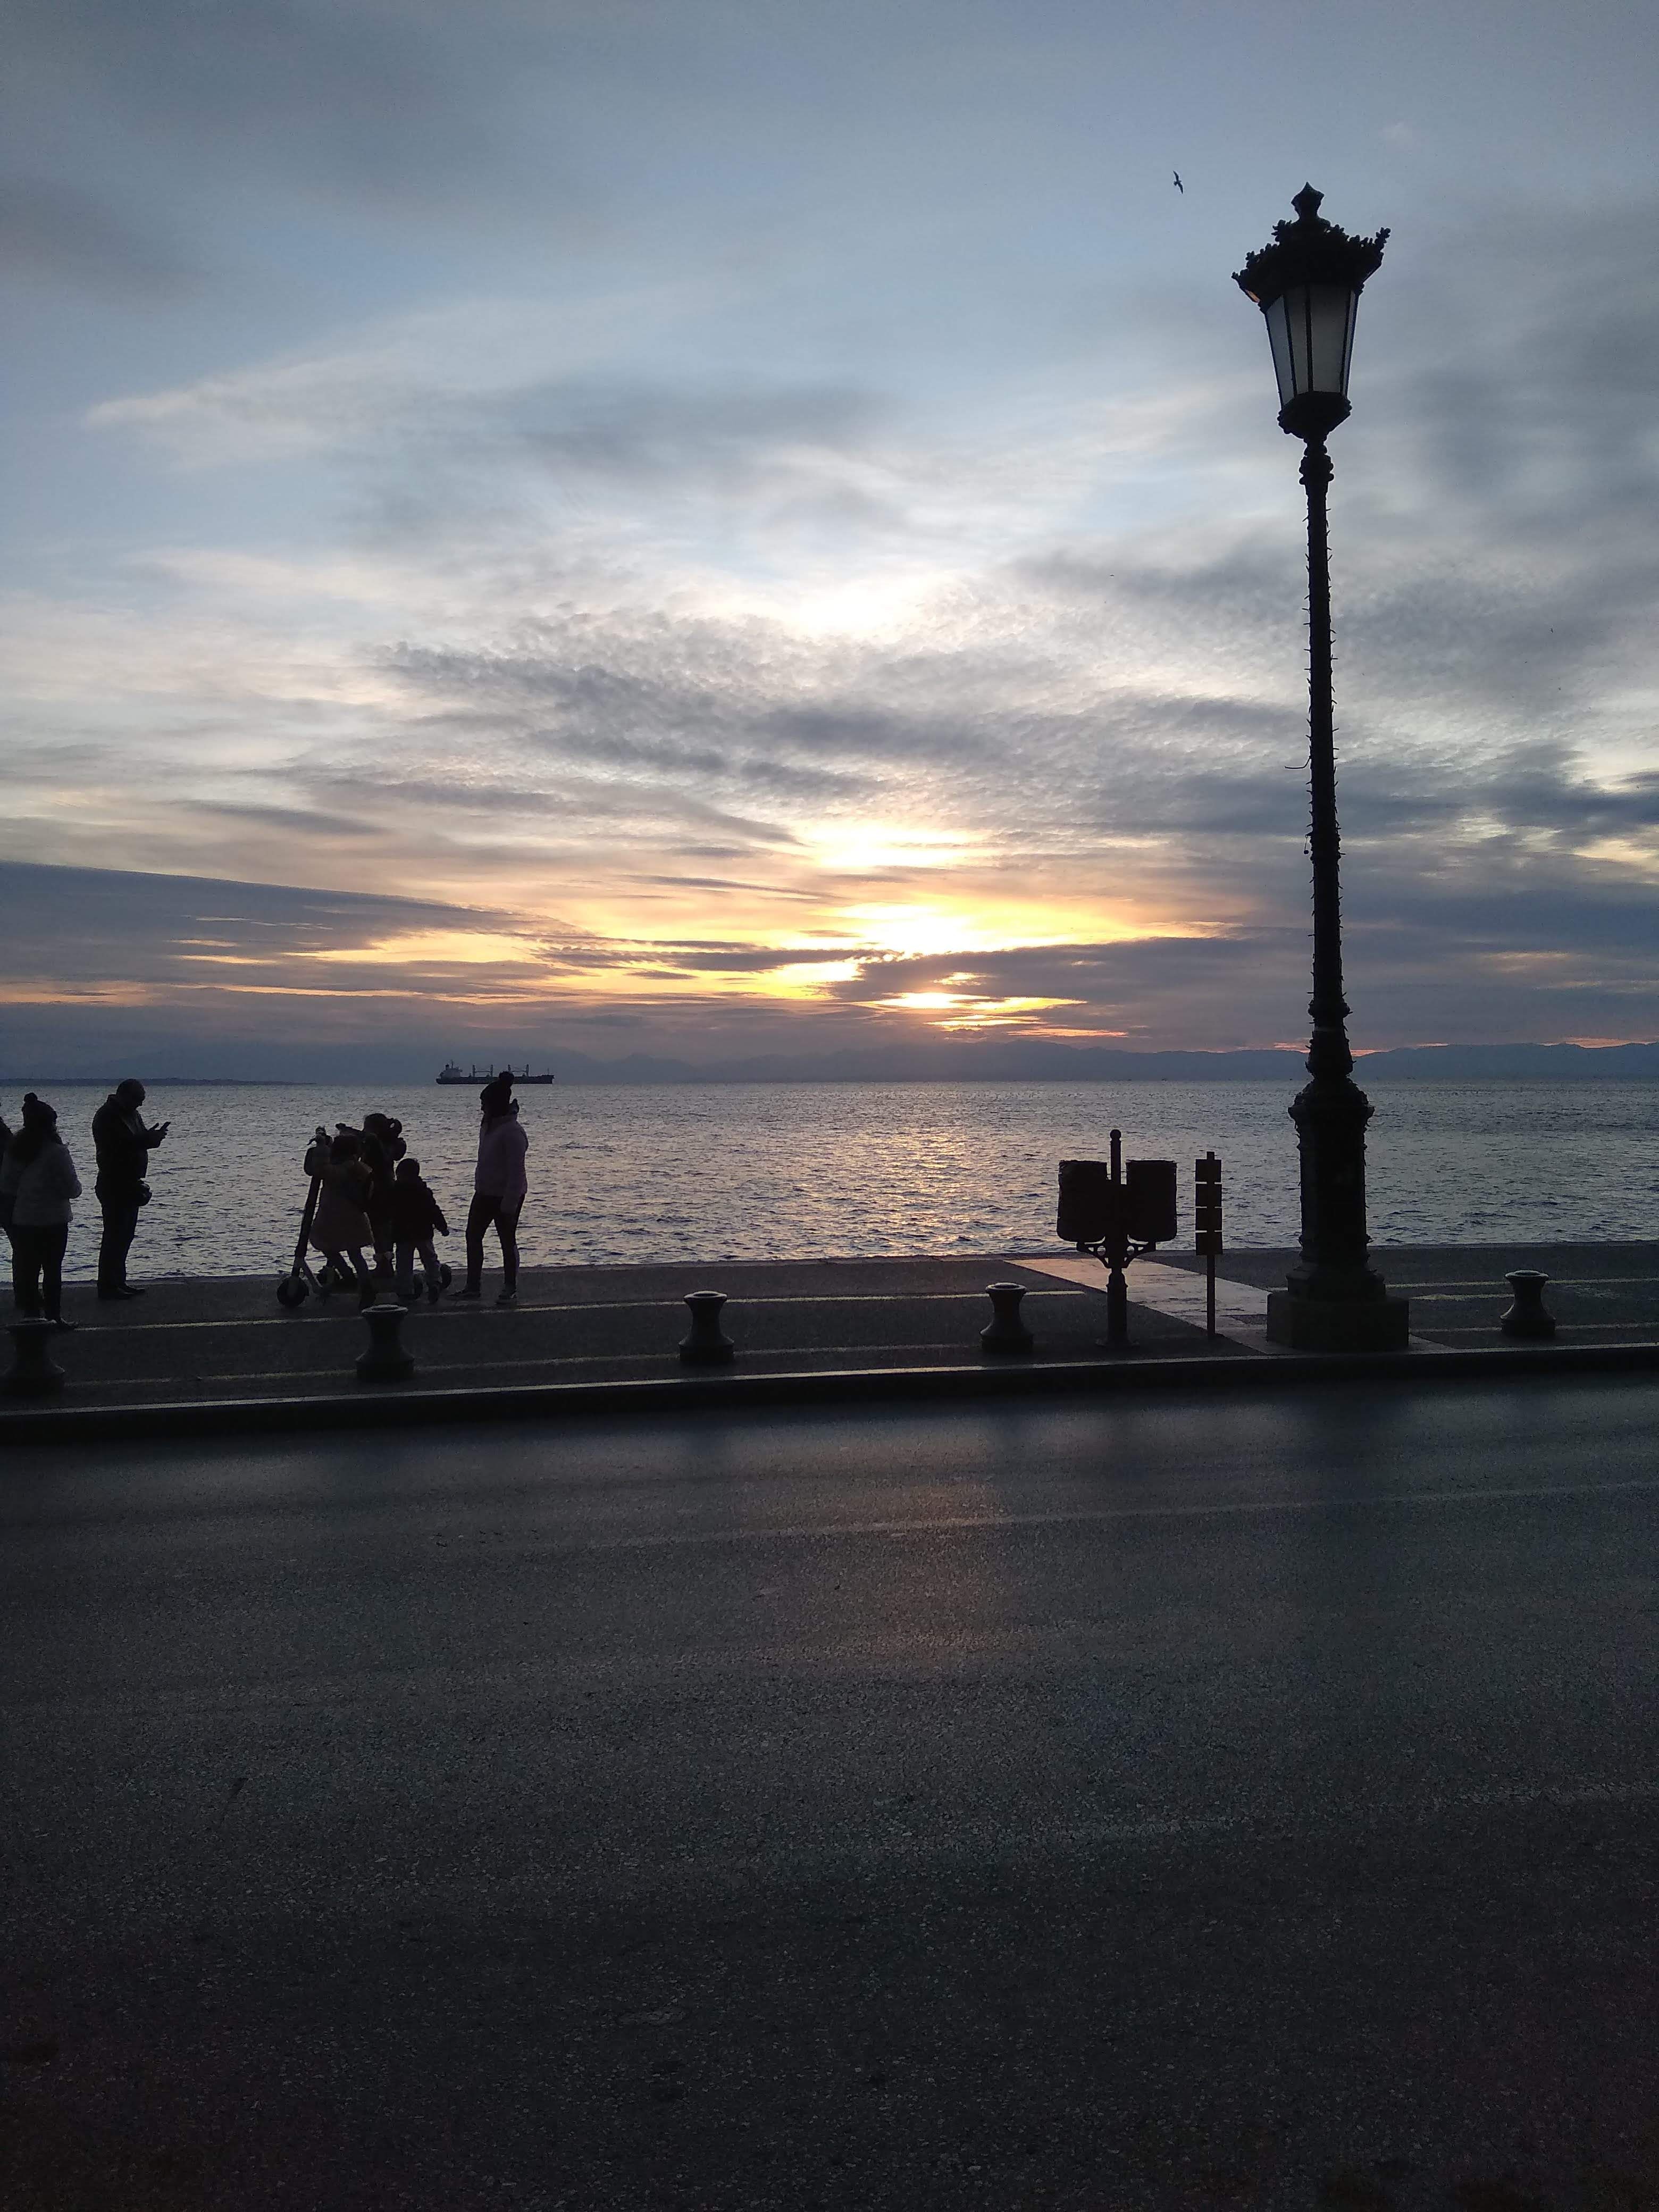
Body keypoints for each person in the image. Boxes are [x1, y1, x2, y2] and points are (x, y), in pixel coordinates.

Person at [1, 1094, 82, 1329]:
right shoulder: (57, 1152)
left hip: (24, 1218)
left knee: (29, 1269)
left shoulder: (14, 1150)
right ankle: (54, 1316)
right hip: (53, 1219)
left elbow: (7, 1185)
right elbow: (71, 1188)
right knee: (52, 1270)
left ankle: (31, 1314)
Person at [91, 1079, 170, 1300]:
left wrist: (152, 1139)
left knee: (125, 1235)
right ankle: (108, 1284)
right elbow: (119, 1145)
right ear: (125, 1095)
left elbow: (137, 1140)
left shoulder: (132, 1114)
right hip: (114, 1181)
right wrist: (147, 1139)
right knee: (114, 1235)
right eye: (138, 1100)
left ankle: (118, 1280)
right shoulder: (107, 1116)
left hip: (130, 1181)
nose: (141, 1105)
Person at [457, 1077, 527, 1306]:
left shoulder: (512, 1133)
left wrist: (509, 1204)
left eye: (485, 1104)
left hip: (507, 1194)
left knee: (507, 1240)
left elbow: (517, 1173)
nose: (481, 1108)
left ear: (495, 1105)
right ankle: (472, 1287)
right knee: (473, 1236)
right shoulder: (489, 1127)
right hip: (484, 1192)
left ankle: (511, 1287)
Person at [304, 1127, 377, 1307]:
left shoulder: (343, 1170)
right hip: (354, 1218)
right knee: (355, 1254)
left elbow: (320, 1170)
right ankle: (363, 1284)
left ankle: (352, 1278)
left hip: (337, 1218)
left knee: (326, 1245)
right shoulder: (359, 1167)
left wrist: (321, 1147)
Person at [389, 1156, 449, 1304]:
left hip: (403, 1234)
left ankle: (405, 1290)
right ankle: (435, 1282)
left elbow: (388, 1212)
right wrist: (443, 1227)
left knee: (404, 1263)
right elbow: (434, 1211)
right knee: (430, 1259)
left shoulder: (395, 1191)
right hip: (423, 1232)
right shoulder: (424, 1191)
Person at [357, 1112, 405, 1278]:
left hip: (380, 1191)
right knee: (380, 1229)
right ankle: (384, 1264)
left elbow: (382, 1159)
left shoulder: (382, 1145)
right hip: (381, 1189)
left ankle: (385, 1266)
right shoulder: (383, 1143)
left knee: (380, 1229)